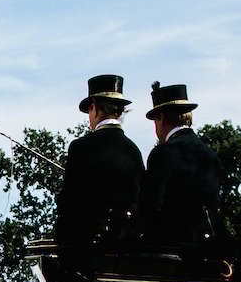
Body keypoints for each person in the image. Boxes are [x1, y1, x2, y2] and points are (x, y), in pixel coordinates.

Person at [55, 73, 144, 260]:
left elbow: (69, 201)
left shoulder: (81, 147)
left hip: (88, 244)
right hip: (128, 243)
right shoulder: (133, 150)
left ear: (94, 108)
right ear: (119, 111)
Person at [139, 81, 226, 251]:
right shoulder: (211, 155)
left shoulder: (164, 153)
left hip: (173, 246)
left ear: (161, 118)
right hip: (210, 245)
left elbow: (152, 205)